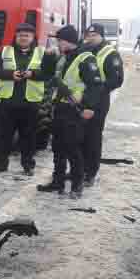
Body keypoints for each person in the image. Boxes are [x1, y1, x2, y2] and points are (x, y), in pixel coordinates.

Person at [37, 25, 103, 199]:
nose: (57, 44)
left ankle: (76, 185)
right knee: (58, 147)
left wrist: (89, 107)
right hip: (60, 108)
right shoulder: (62, 57)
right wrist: (47, 57)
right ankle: (57, 181)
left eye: (59, 41)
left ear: (67, 41)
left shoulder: (85, 58)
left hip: (74, 110)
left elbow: (96, 85)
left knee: (73, 148)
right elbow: (46, 74)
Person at [0, 22, 57, 176]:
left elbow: (49, 74)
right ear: (16, 36)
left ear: (33, 37)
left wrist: (32, 74)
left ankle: (28, 166)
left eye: (27, 35)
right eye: (20, 35)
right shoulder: (5, 51)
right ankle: (0, 165)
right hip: (8, 102)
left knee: (28, 138)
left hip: (30, 103)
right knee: (3, 137)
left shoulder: (42, 52)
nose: (23, 38)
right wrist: (9, 75)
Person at [81, 23, 124, 186]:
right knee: (79, 136)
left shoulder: (110, 53)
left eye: (94, 35)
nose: (90, 38)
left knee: (92, 137)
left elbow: (117, 79)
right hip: (81, 98)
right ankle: (79, 168)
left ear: (101, 36)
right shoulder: (84, 49)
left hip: (99, 100)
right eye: (88, 35)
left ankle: (91, 172)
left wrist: (97, 87)